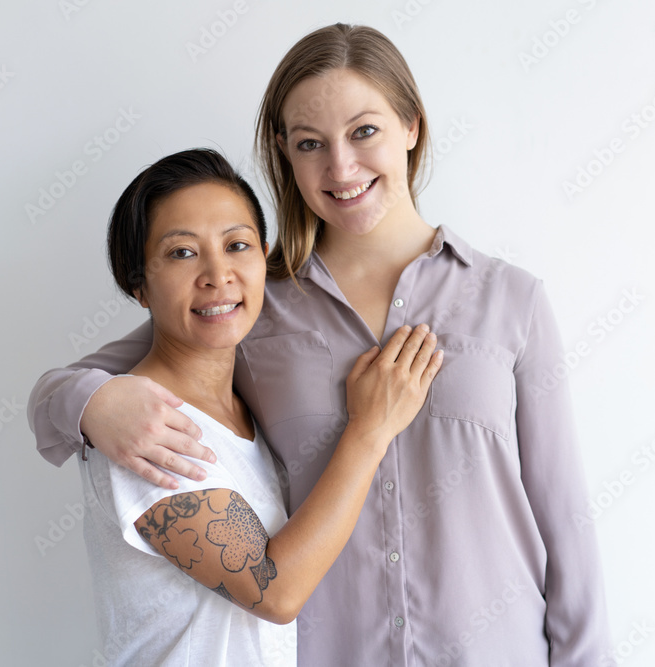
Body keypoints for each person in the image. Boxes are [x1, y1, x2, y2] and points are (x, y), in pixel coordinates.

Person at [29, 23, 613, 666]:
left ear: (411, 126)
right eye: (311, 143)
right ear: (284, 152)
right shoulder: (248, 304)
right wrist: (91, 403)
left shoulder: (511, 300)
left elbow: (566, 523)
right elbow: (79, 386)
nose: (341, 167)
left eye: (364, 131)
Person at [77, 147, 442, 665]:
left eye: (237, 245)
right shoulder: (145, 429)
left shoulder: (245, 411)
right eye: (182, 253)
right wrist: (370, 430)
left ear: (263, 259)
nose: (217, 274)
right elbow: (275, 590)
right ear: (139, 283)